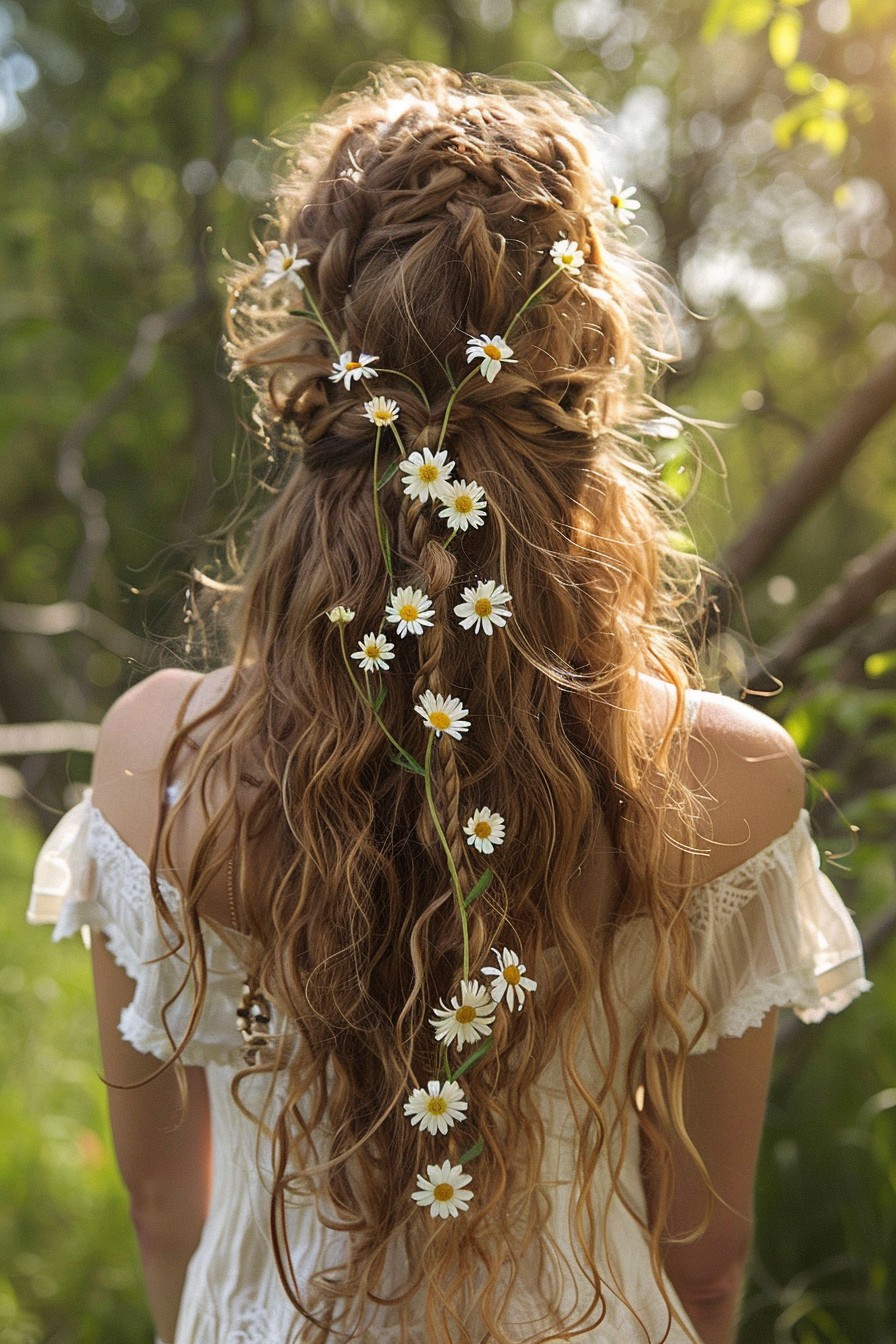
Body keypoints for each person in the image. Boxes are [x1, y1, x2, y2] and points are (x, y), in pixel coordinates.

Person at [28, 64, 870, 1344]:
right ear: (588, 378)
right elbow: (702, 1260)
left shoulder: (160, 753)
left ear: (306, 370)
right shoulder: (722, 775)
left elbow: (160, 1202)